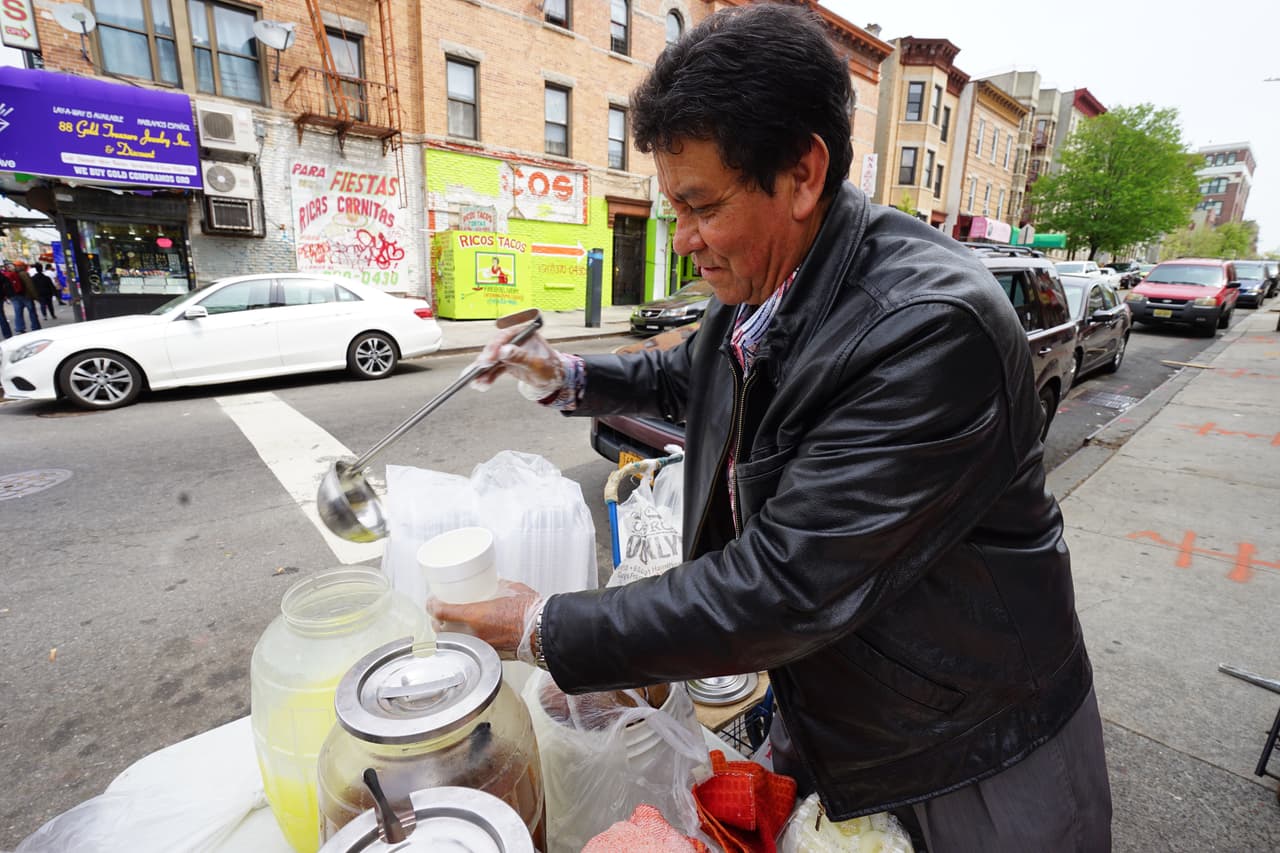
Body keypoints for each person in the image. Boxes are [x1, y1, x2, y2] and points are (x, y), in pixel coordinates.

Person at [434, 5, 1112, 850]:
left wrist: (548, 626)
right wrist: (563, 373)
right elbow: (686, 377)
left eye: (700, 205)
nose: (683, 240)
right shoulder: (761, 284)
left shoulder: (932, 327)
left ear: (801, 174)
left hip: (968, 746)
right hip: (835, 704)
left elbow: (786, 585)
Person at [6, 262, 41, 334]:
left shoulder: (10, 273)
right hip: (26, 296)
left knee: (18, 312)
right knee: (32, 311)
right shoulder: (23, 273)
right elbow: (30, 286)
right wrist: (36, 297)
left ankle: (20, 328)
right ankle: (35, 326)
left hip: (14, 296)